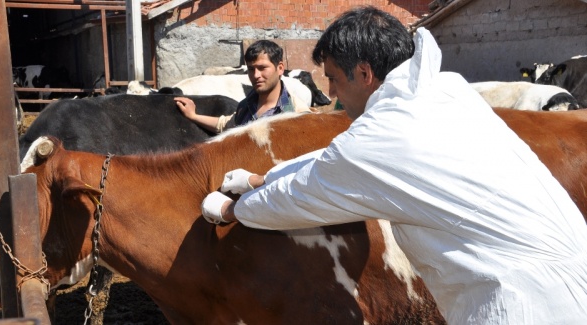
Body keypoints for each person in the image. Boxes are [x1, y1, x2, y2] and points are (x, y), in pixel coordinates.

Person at [200, 6, 587, 325]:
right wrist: (261, 177)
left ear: (365, 74)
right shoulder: (441, 90)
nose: (330, 93)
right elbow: (337, 160)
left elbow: (305, 194)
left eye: (333, 79)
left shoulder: (381, 138)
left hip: (521, 305)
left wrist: (235, 208)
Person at [174, 40, 311, 133]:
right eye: (251, 69)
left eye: (262, 68)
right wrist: (193, 116)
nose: (256, 75)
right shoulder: (245, 106)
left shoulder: (297, 114)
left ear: (280, 68)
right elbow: (225, 125)